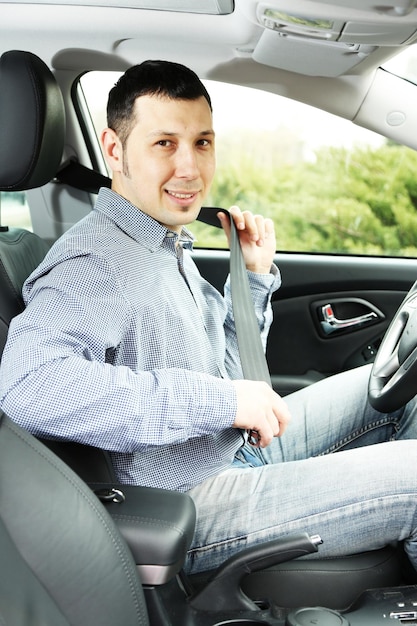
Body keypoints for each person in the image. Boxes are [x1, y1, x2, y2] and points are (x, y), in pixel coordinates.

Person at [1, 60, 417, 578]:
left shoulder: (161, 239)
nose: (190, 169)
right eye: (164, 144)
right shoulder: (96, 261)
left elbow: (222, 369)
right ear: (113, 150)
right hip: (185, 499)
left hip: (230, 446)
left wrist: (254, 279)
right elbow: (28, 384)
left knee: (401, 390)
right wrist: (223, 402)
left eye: (202, 142)